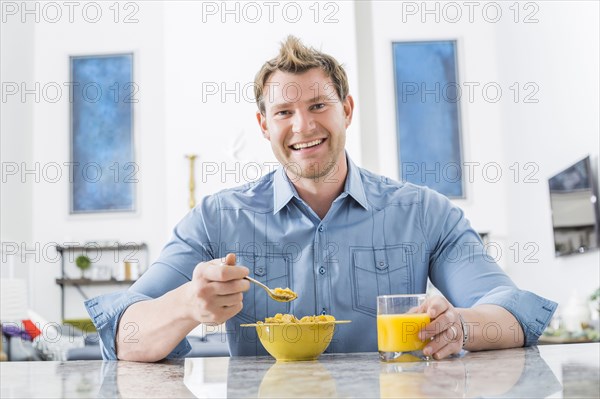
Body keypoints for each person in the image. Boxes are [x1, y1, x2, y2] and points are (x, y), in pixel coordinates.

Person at [86, 36, 556, 362]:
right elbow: (122, 334)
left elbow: (514, 313)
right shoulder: (214, 220)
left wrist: (461, 325)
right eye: (284, 112)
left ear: (346, 110)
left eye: (318, 106)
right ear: (263, 126)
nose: (303, 126)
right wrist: (188, 303)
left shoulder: (425, 212)